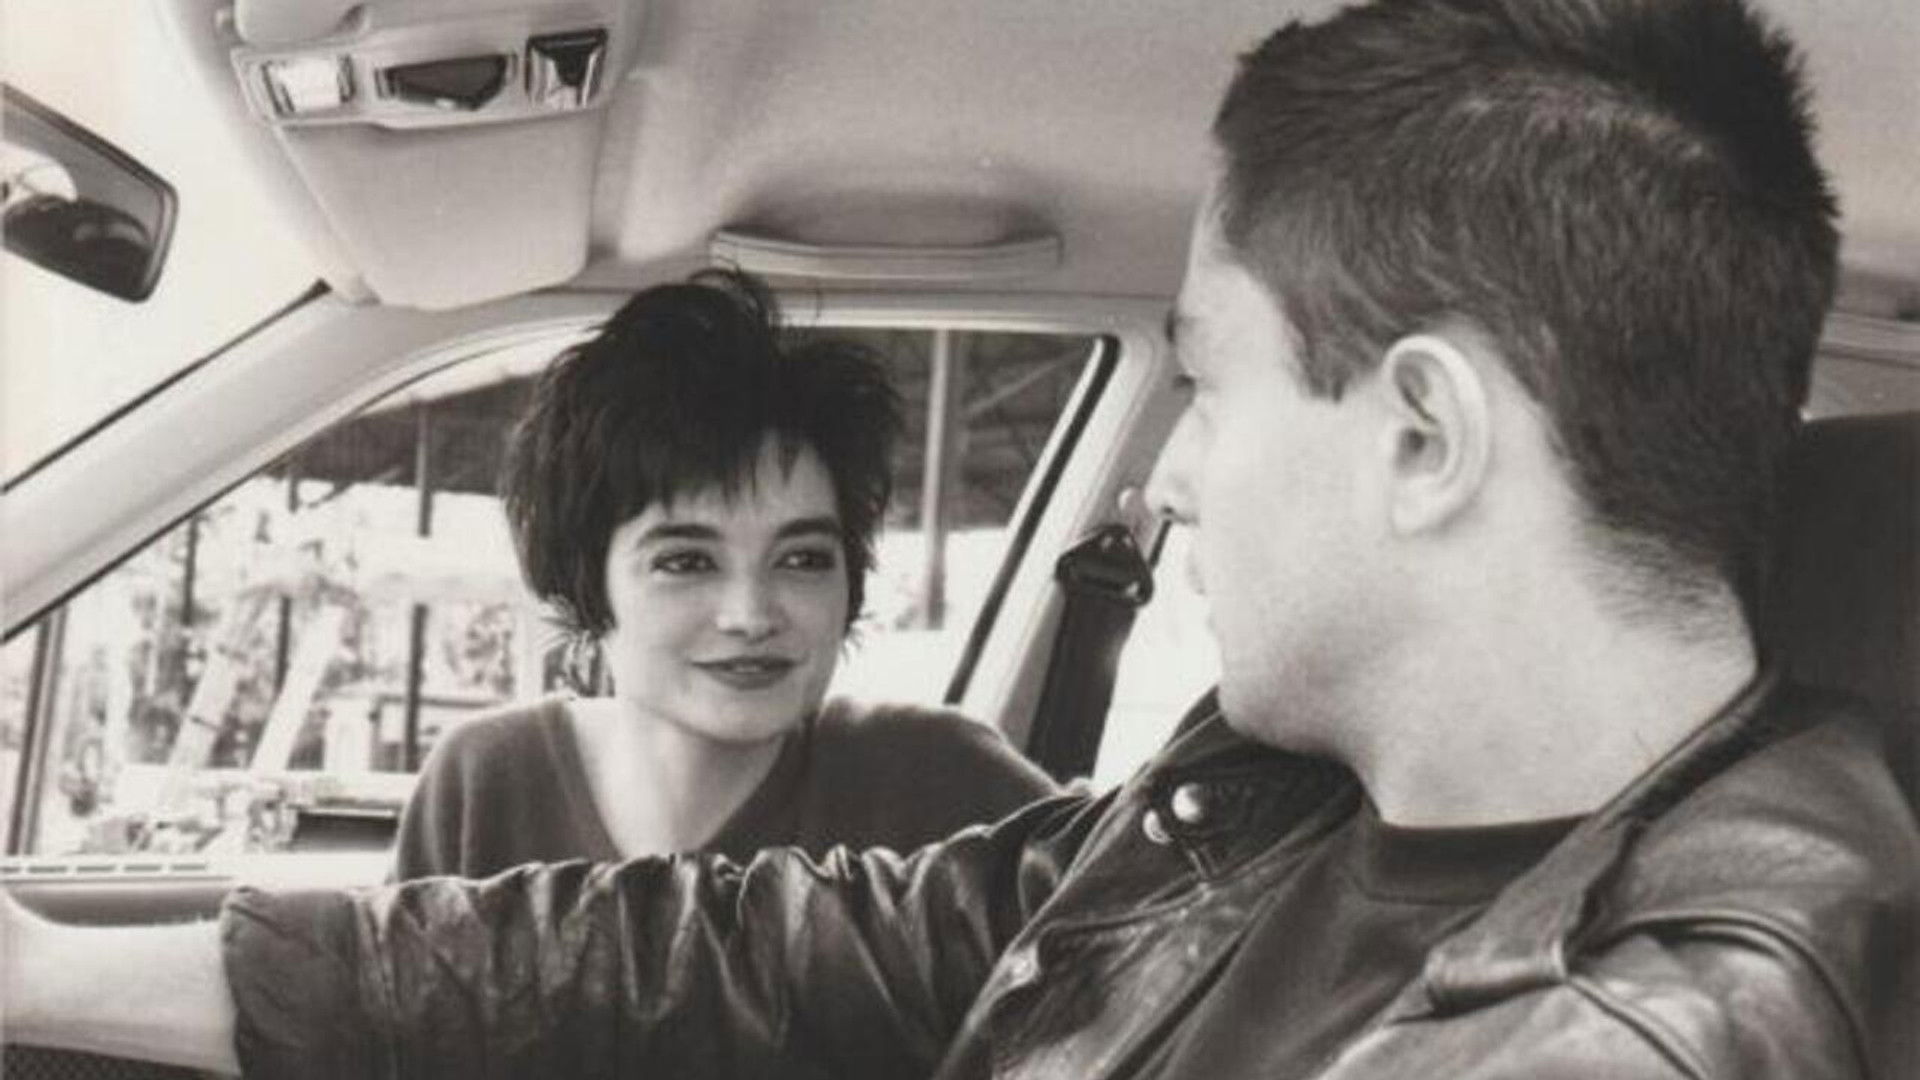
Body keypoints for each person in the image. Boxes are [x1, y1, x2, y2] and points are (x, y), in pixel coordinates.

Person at [4, 0, 1916, 1076]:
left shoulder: (1650, 1035)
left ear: (1423, 436)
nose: (1175, 481)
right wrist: (46, 977)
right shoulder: (1271, 812)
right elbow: (749, 950)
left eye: (1208, 383)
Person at [389, 269, 1054, 881]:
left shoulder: (940, 779)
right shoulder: (485, 785)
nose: (752, 615)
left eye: (803, 559)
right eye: (686, 562)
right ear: (586, 579)